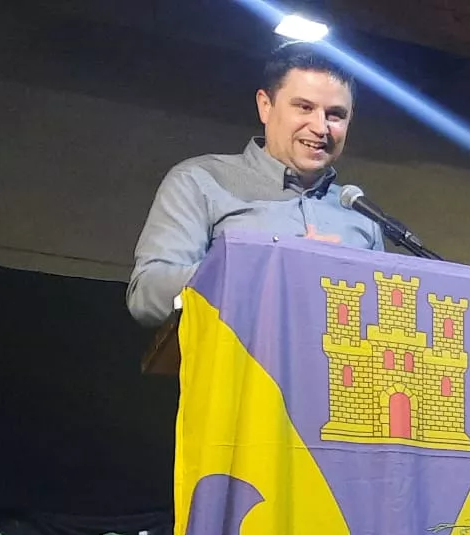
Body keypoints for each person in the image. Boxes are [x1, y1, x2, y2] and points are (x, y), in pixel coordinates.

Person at [127, 42, 384, 327]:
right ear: (265, 106)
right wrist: (269, 267)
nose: (320, 127)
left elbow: (382, 322)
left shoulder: (361, 215)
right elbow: (147, 296)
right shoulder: (200, 181)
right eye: (304, 107)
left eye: (335, 114)